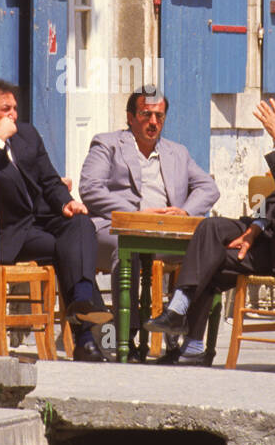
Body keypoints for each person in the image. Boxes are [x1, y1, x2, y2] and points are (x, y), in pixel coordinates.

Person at [144, 95, 275, 366]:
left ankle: (193, 344)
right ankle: (180, 312)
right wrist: (255, 228)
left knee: (212, 262)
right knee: (210, 228)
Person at [0, 79, 112, 362]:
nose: (13, 115)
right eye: (4, 109)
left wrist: (67, 202)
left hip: (42, 222)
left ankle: (82, 300)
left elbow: (50, 181)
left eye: (14, 108)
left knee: (81, 224)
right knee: (69, 249)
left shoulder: (27, 135)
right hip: (8, 234)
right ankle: (86, 335)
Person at [78, 87, 220, 345]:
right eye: (146, 115)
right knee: (127, 250)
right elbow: (90, 188)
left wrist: (185, 211)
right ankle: (127, 335)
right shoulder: (107, 144)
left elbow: (208, 187)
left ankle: (187, 336)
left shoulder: (177, 152)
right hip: (116, 230)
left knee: (209, 252)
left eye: (159, 116)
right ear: (131, 117)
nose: (153, 122)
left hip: (165, 233)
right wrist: (135, 214)